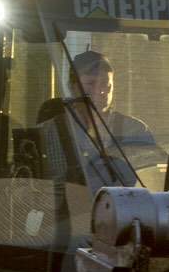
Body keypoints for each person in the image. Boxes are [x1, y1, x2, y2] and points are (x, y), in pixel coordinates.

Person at [49, 47, 160, 186]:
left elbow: (152, 185)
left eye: (106, 85)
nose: (99, 91)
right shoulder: (49, 132)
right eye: (90, 84)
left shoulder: (136, 131)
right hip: (70, 207)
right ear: (72, 87)